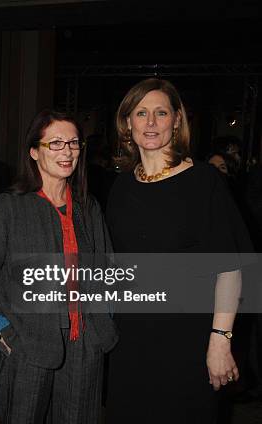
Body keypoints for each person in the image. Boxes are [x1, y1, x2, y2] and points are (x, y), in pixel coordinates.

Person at [105, 78, 251, 423]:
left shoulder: (203, 181)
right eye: (141, 113)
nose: (151, 122)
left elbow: (230, 269)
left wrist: (220, 340)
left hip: (189, 341)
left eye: (161, 112)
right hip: (130, 342)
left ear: (177, 120)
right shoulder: (121, 186)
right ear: (128, 123)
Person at [0, 109, 118, 423]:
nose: (66, 152)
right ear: (34, 152)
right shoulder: (7, 208)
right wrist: (1, 331)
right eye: (55, 143)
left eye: (73, 143)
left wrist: (102, 321)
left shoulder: (88, 207)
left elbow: (108, 269)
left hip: (85, 346)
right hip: (27, 346)